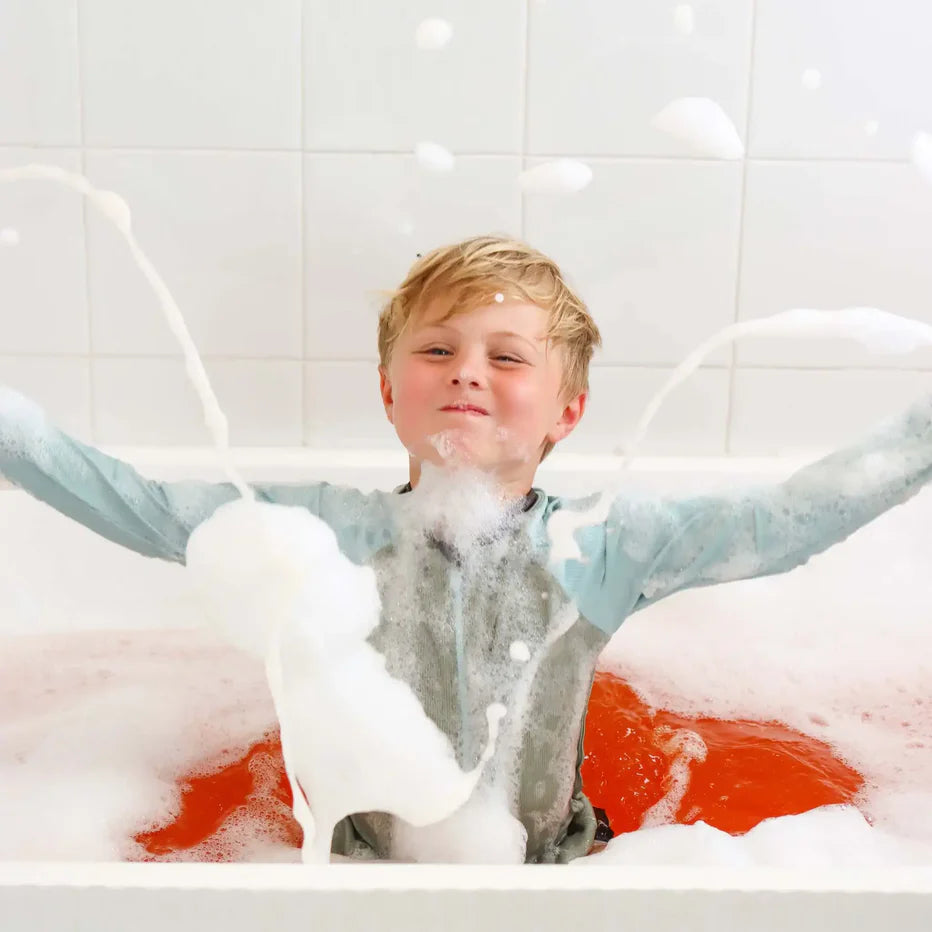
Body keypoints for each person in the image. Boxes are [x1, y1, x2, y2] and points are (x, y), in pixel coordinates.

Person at [1, 234, 931, 863]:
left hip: (551, 865)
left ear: (568, 411)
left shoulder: (604, 544)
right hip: (355, 869)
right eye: (437, 350)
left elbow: (781, 523)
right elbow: (141, 507)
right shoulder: (319, 534)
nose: (468, 373)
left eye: (508, 356)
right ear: (388, 391)